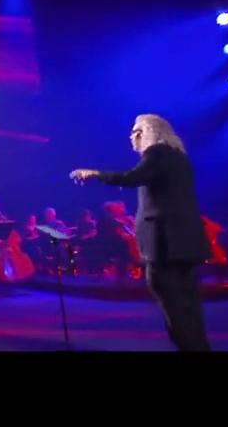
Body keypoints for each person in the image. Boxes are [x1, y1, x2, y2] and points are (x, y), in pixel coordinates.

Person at [70, 114, 213, 351]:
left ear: (148, 132)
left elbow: (131, 178)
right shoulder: (180, 157)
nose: (131, 137)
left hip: (165, 244)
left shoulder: (156, 153)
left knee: (171, 303)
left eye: (136, 131)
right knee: (189, 302)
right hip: (185, 243)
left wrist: (95, 174)